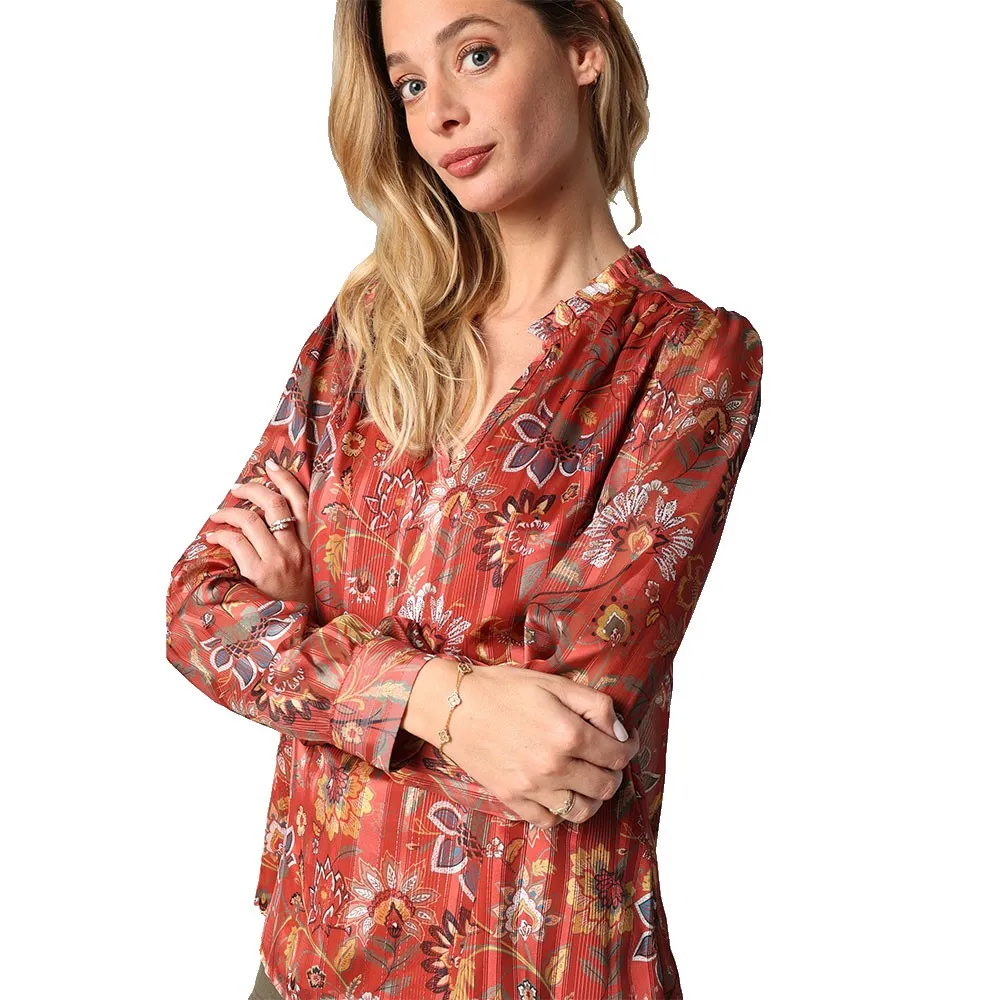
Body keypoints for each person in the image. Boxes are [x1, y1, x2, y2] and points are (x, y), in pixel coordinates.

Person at [164, 1, 764, 997]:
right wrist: (450, 700)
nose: (437, 111)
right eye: (408, 83)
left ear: (583, 49)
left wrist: (311, 629)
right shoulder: (367, 334)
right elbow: (199, 616)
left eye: (475, 54)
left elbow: (558, 746)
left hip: (525, 962)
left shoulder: (688, 360)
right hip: (305, 957)